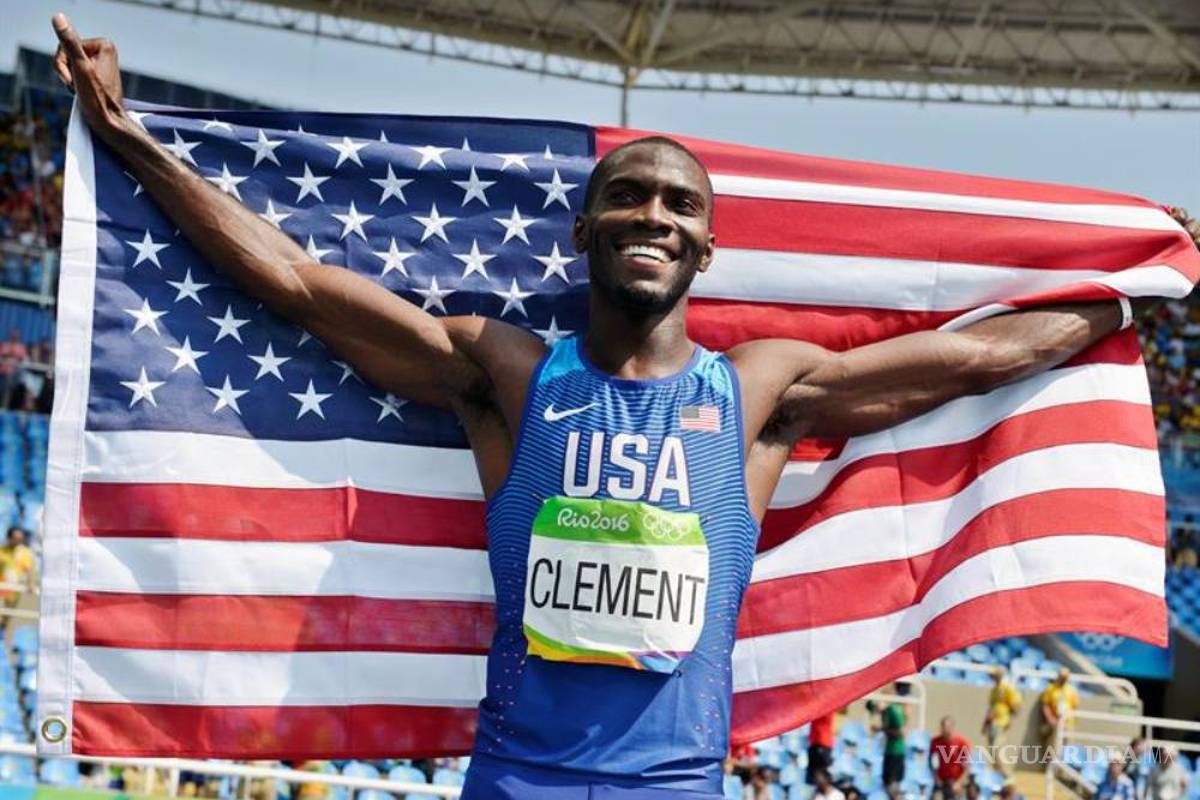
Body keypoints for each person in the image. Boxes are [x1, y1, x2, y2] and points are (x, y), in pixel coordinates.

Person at [50, 14, 1200, 799]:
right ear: (585, 230)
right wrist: (131, 138)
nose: (654, 213)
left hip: (676, 782)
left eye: (680, 204)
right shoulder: (506, 373)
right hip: (517, 778)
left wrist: (1140, 281)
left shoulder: (757, 391)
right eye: (630, 195)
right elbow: (300, 284)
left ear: (707, 247)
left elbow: (973, 358)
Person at [983, 667, 1022, 775]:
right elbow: (990, 708)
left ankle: (1004, 773)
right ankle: (997, 772)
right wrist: (985, 723)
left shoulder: (1007, 688)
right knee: (992, 750)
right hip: (993, 723)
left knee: (996, 748)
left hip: (1002, 722)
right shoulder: (994, 690)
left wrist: (1010, 719)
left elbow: (1015, 706)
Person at [872, 685, 909, 790]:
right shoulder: (886, 711)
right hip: (889, 750)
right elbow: (869, 705)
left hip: (896, 751)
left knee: (893, 783)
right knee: (886, 781)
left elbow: (901, 732)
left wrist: (881, 729)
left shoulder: (893, 710)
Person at [1039, 668, 1079, 760]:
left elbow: (1074, 707)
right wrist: (1051, 719)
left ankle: (1063, 765)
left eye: (1065, 677)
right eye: (1061, 677)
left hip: (1067, 722)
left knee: (1067, 747)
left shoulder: (1071, 690)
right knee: (1053, 746)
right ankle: (1051, 764)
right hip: (1055, 722)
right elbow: (1045, 705)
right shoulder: (1050, 689)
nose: (1063, 679)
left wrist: (1070, 720)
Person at [930, 716, 972, 800]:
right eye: (942, 727)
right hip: (941, 782)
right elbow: (932, 764)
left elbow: (967, 767)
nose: (944, 730)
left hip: (956, 782)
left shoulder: (962, 743)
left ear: (952, 728)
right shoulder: (935, 742)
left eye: (946, 727)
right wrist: (937, 779)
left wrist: (959, 783)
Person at [807, 710, 838, 784]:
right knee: (813, 773)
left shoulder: (825, 709)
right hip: (816, 742)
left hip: (821, 742)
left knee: (819, 772)